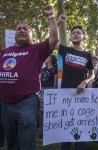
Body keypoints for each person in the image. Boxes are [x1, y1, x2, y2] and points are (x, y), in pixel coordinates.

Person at [0, 4, 58, 150]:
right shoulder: (6, 51)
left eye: (26, 29)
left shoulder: (37, 49)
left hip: (26, 103)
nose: (21, 30)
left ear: (32, 35)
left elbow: (54, 38)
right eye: (19, 28)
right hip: (5, 104)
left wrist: (51, 17)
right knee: (11, 142)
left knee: (26, 143)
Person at [56, 17, 95, 150]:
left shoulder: (88, 55)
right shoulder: (64, 50)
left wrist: (84, 82)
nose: (76, 34)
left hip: (81, 95)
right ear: (70, 37)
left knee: (80, 125)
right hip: (65, 94)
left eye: (79, 32)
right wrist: (58, 22)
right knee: (67, 126)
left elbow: (92, 74)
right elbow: (52, 39)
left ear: (83, 37)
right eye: (73, 33)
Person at [39, 54, 58, 139]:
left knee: (50, 111)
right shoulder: (43, 69)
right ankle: (42, 131)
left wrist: (52, 93)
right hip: (42, 90)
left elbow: (55, 84)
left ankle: (50, 130)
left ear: (50, 59)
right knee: (41, 111)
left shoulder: (54, 70)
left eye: (47, 57)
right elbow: (39, 80)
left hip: (50, 91)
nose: (45, 58)